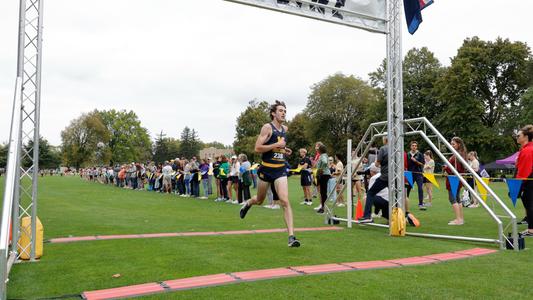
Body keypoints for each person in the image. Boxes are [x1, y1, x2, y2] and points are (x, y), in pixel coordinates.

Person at [239, 100, 300, 247]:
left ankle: (291, 237)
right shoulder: (267, 127)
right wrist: (276, 145)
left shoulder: (285, 129)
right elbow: (258, 148)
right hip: (266, 170)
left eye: (285, 111)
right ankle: (248, 203)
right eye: (280, 110)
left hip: (280, 170)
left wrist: (284, 150)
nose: (283, 113)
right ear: (273, 113)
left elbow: (277, 148)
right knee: (260, 200)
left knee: (285, 201)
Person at [358, 136, 388, 223]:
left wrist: (377, 162)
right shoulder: (397, 148)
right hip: (395, 177)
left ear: (385, 140)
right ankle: (402, 215)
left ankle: (367, 216)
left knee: (370, 193)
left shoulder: (383, 149)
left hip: (384, 177)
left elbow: (377, 164)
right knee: (398, 195)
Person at [442, 137, 467, 225]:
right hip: (457, 179)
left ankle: (458, 220)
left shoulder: (457, 155)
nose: (451, 145)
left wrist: (445, 168)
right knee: (457, 199)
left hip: (453, 179)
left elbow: (453, 169)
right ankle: (461, 219)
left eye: (453, 144)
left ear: (458, 144)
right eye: (451, 143)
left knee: (452, 199)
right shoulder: (461, 154)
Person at [516, 125, 533, 236]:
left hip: (528, 181)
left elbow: (524, 170)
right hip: (528, 180)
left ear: (526, 137)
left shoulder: (527, 150)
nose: (517, 137)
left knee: (530, 205)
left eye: (519, 135)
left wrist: (519, 185)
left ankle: (531, 230)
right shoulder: (526, 149)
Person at [406, 141, 425, 210]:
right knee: (407, 189)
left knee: (420, 188)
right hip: (410, 174)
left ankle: (421, 204)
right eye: (413, 145)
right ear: (410, 146)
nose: (414, 147)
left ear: (417, 147)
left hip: (419, 173)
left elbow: (423, 164)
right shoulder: (407, 154)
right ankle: (405, 202)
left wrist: (415, 161)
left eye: (415, 146)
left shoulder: (420, 154)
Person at [314, 142, 330, 214]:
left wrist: (321, 169)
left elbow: (325, 162)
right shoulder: (324, 155)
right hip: (324, 174)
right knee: (323, 192)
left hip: (324, 174)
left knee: (323, 192)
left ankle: (324, 208)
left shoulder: (322, 155)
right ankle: (323, 207)